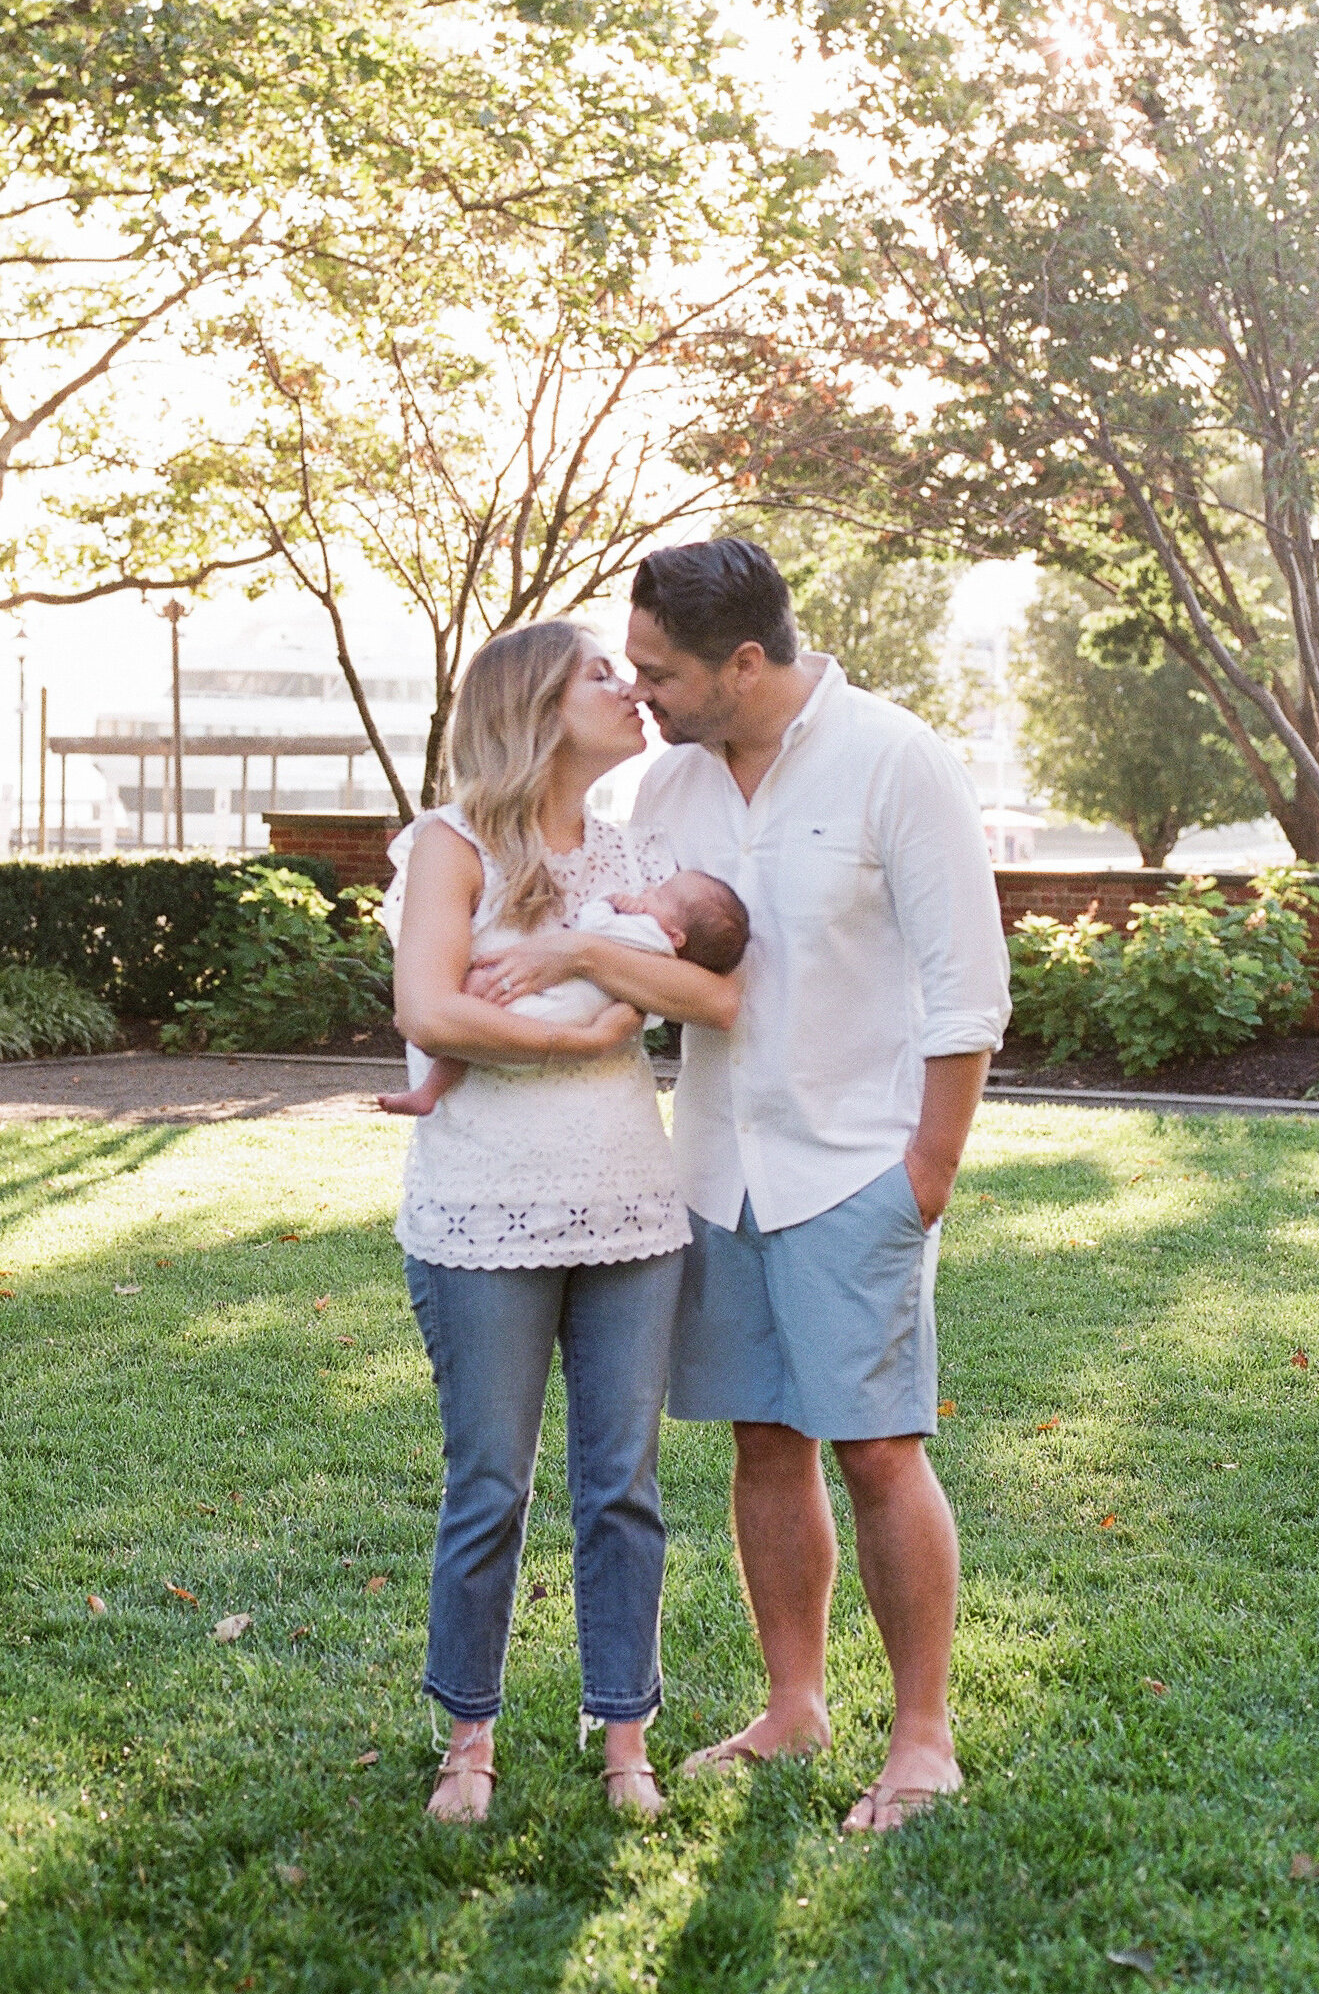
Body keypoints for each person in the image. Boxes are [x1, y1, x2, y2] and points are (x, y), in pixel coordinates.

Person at [468, 539, 1009, 1832]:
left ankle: (922, 1738)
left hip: (854, 1168)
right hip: (715, 1169)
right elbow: (661, 963)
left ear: (746, 662)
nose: (638, 689)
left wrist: (925, 1169)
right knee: (766, 1445)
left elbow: (967, 985)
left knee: (878, 1448)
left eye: (659, 671)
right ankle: (794, 1704)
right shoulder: (669, 790)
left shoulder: (895, 757)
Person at [384, 621, 745, 1823]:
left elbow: (719, 991)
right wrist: (590, 1031)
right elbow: (432, 1011)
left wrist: (579, 960)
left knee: (622, 1485)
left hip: (631, 1211)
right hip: (480, 1207)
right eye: (603, 674)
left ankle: (624, 1735)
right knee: (489, 1482)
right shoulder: (449, 845)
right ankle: (467, 1741)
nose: (632, 688)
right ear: (537, 705)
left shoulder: (634, 851)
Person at [380, 869, 749, 1114]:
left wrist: (609, 901)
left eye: (661, 895)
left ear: (675, 936)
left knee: (478, 993)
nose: (648, 890)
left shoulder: (645, 934)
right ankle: (430, 1072)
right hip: (574, 1017)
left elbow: (590, 928)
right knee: (477, 1016)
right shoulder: (668, 962)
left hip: (553, 1009)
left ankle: (430, 1071)